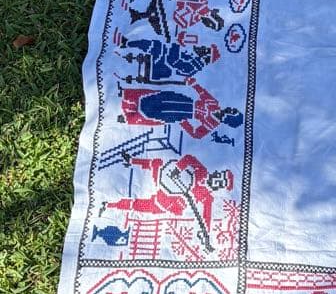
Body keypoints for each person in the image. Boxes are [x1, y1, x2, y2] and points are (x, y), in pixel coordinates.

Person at [101, 152, 232, 248]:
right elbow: (189, 158)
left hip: (166, 202)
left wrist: (206, 234)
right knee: (157, 163)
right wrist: (178, 169)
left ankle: (109, 205)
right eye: (219, 176)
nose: (217, 180)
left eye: (221, 182)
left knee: (137, 205)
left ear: (219, 186)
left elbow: (206, 216)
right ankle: (131, 161)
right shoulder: (202, 171)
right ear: (217, 174)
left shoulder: (207, 197)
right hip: (165, 179)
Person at [117, 80, 242, 138]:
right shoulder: (214, 104)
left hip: (182, 113)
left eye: (232, 112)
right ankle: (125, 96)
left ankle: (128, 117)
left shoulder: (212, 123)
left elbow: (197, 134)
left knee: (155, 115)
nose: (229, 109)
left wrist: (184, 122)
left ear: (228, 119)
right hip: (185, 101)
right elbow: (203, 93)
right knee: (156, 97)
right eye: (232, 109)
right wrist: (194, 84)